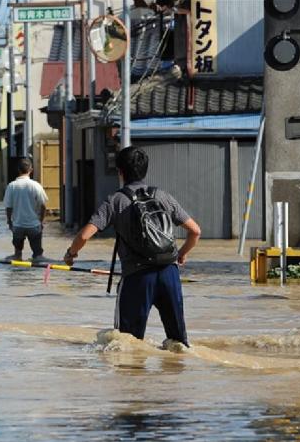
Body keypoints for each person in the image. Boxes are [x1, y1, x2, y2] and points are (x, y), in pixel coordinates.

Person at [64, 146, 201, 347]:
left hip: (137, 278)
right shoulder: (162, 196)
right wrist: (181, 254)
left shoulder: (115, 201)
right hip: (169, 273)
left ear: (120, 172)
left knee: (126, 344)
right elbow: (195, 231)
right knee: (179, 344)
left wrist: (71, 253)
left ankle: (134, 379)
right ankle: (175, 377)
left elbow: (84, 235)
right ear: (145, 170)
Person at [3, 157, 49, 261]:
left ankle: (17, 257)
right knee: (38, 256)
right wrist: (41, 222)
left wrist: (10, 222)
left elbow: (8, 207)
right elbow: (43, 206)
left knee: (17, 256)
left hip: (18, 226)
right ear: (31, 170)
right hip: (34, 226)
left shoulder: (11, 186)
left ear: (18, 170)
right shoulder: (36, 186)